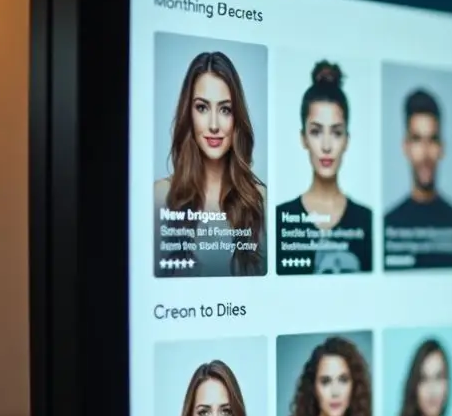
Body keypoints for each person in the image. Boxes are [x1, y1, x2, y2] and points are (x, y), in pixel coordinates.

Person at [155, 51, 267, 277]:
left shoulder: (259, 199)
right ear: (189, 113)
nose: (214, 125)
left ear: (236, 118)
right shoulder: (160, 196)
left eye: (225, 109)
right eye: (202, 108)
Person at [276, 61, 373, 274]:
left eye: (336, 132)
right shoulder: (279, 219)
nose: (327, 146)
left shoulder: (368, 221)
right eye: (316, 131)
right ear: (303, 138)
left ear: (347, 140)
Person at [384, 89, 452, 268]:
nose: (425, 153)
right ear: (406, 147)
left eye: (432, 140)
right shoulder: (388, 224)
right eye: (417, 140)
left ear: (442, 148)